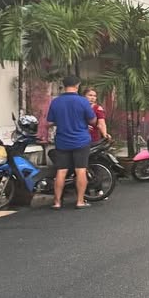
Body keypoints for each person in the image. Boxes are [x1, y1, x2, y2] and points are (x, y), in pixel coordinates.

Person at [46, 74, 95, 209]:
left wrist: (61, 121)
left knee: (61, 171)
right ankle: (79, 201)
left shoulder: (55, 102)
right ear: (77, 85)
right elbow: (92, 120)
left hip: (62, 141)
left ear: (64, 85)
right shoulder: (83, 101)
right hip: (81, 140)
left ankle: (57, 203)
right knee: (80, 170)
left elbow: (49, 121)